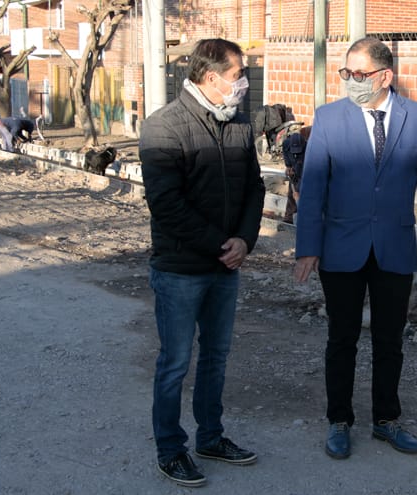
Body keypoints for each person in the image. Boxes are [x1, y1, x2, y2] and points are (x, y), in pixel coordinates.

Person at [293, 37, 417, 459]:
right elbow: (313, 190)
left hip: (395, 246)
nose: (352, 82)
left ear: (386, 76)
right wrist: (307, 247)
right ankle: (339, 420)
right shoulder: (329, 119)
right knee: (341, 339)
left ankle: (386, 419)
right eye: (347, 74)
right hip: (341, 246)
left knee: (389, 340)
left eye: (360, 75)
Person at [138, 38, 265, 488]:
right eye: (238, 75)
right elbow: (166, 204)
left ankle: (211, 437)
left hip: (225, 265)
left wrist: (245, 241)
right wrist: (220, 245)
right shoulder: (164, 128)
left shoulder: (239, 125)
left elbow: (255, 188)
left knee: (216, 358)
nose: (243, 84)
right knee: (175, 362)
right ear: (211, 78)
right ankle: (171, 450)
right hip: (180, 269)